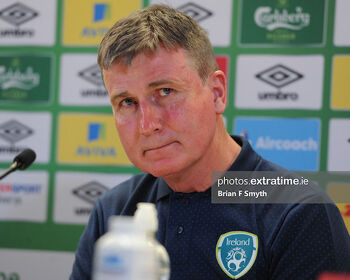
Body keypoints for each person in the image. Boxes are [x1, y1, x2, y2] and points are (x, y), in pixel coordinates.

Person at [70, 5, 350, 280]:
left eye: (165, 91)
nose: (147, 125)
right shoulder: (113, 210)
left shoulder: (298, 212)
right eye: (127, 102)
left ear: (216, 93)